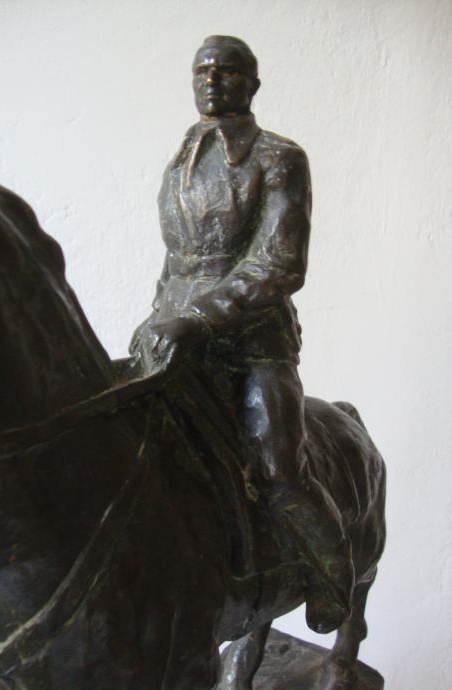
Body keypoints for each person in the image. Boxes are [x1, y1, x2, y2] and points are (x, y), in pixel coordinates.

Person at [130, 35, 354, 633]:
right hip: (176, 335)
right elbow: (177, 259)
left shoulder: (280, 158)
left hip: (253, 343)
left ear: (253, 85)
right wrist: (157, 318)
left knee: (277, 465)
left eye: (227, 71)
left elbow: (280, 263)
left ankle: (334, 573)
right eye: (202, 70)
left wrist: (199, 318)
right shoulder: (182, 158)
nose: (212, 81)